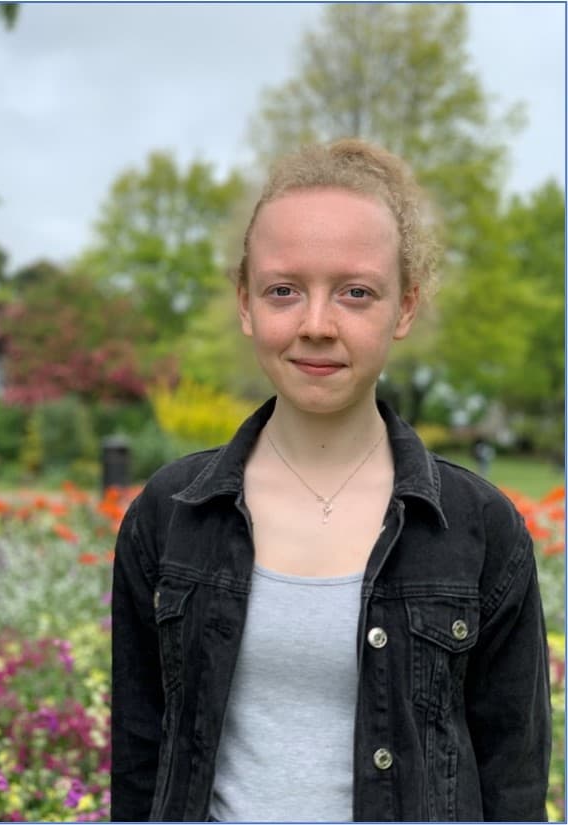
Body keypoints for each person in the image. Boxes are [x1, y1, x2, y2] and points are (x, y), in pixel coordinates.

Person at [111, 138, 551, 823]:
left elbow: (513, 784)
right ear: (246, 303)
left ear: (405, 307)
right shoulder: (168, 516)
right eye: (283, 290)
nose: (316, 325)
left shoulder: (480, 528)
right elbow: (140, 760)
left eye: (356, 293)